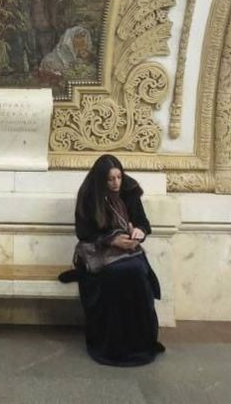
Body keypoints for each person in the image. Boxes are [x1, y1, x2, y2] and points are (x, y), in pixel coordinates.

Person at [68, 154, 164, 366]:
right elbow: (84, 233)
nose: (116, 183)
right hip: (99, 253)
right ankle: (112, 344)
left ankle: (139, 342)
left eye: (119, 177)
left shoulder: (129, 191)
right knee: (117, 274)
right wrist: (111, 239)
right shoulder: (89, 195)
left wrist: (138, 232)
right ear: (101, 179)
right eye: (110, 179)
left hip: (128, 252)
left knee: (138, 271)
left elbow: (143, 223)